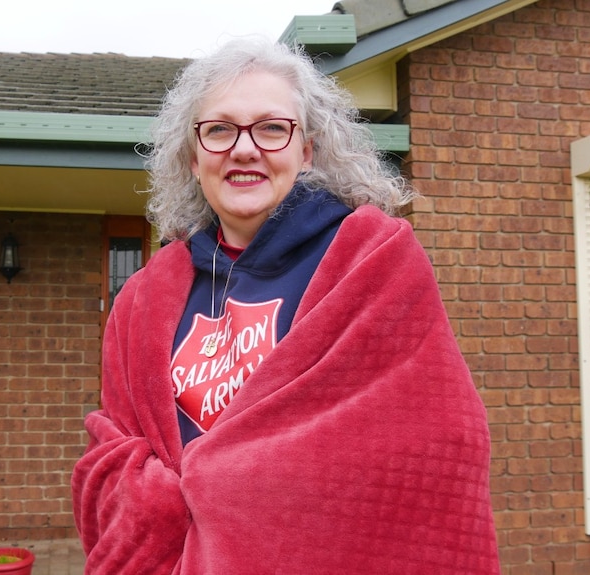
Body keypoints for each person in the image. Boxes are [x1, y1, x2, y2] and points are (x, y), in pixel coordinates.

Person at [72, 37, 500, 574]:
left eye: (273, 128)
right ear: (193, 154)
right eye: (219, 129)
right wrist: (163, 513)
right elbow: (110, 458)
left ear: (307, 150)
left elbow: (435, 444)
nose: (245, 149)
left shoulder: (370, 261)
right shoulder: (142, 298)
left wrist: (221, 488)